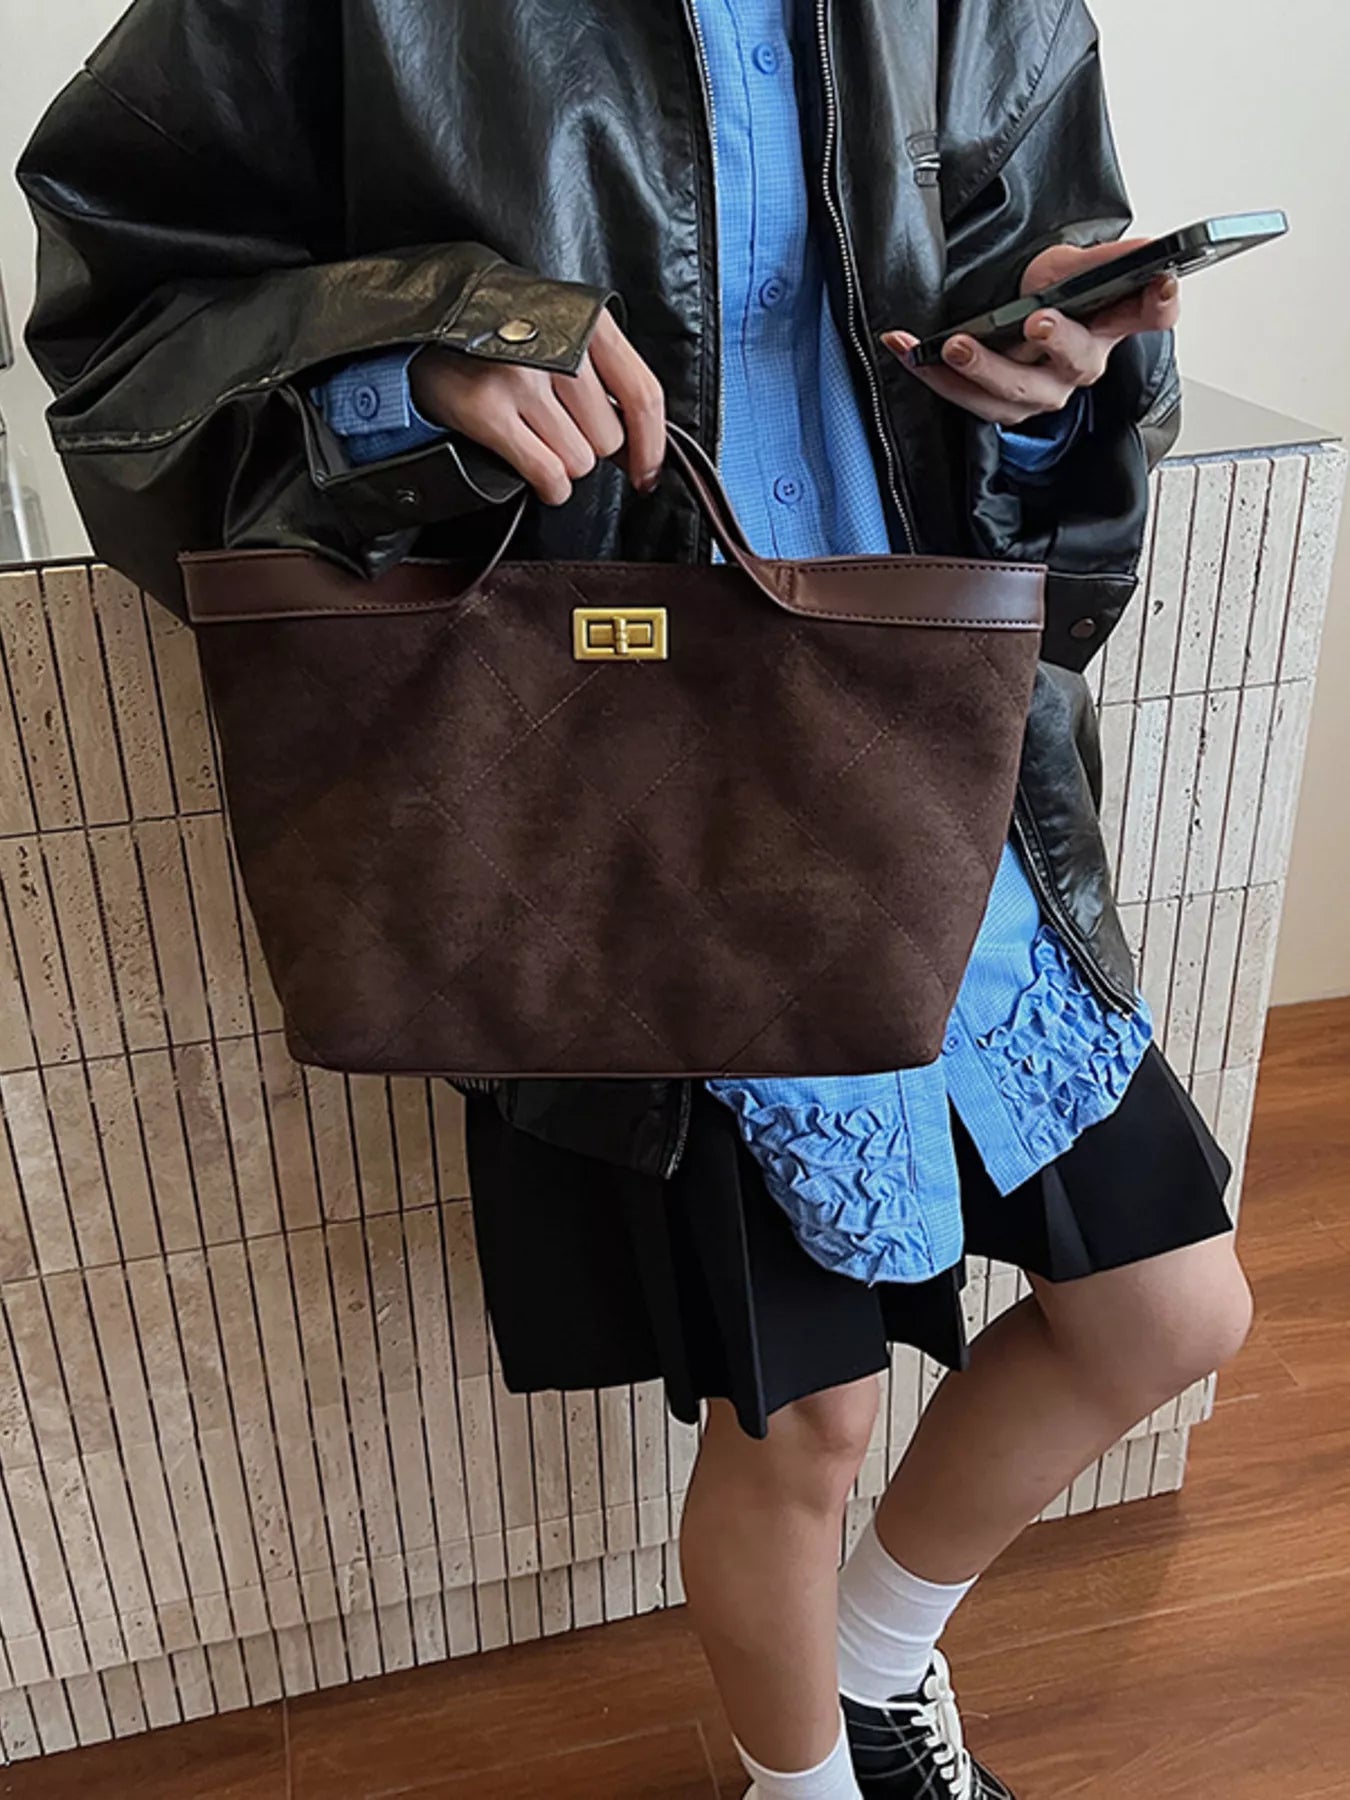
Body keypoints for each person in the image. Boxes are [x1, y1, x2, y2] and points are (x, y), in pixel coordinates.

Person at [20, 3, 1253, 1795]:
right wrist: (410, 370)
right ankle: (800, 1783)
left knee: (1168, 1312)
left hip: (928, 736)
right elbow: (125, 331)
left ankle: (872, 1666)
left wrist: (1051, 378)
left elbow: (1021, 298)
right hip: (628, 785)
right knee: (806, 1423)